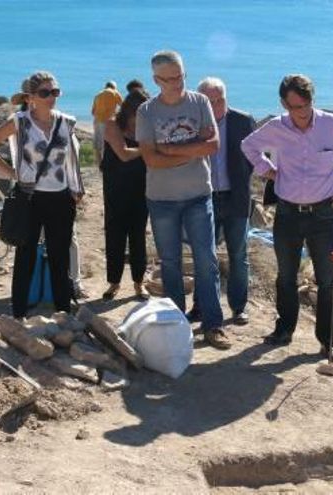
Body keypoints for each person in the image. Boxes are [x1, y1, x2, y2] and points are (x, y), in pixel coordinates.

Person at [241, 74, 333, 361]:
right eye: (296, 107)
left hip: (323, 214)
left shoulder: (331, 125)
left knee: (327, 279)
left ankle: (329, 341)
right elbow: (248, 146)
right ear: (284, 104)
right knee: (286, 276)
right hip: (286, 213)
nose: (303, 112)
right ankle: (284, 331)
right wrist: (267, 169)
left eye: (307, 104)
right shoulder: (276, 128)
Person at [136, 50, 228, 350]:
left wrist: (171, 151)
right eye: (171, 78)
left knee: (207, 260)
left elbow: (212, 145)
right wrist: (191, 148)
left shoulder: (200, 102)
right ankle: (177, 326)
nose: (178, 83)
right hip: (161, 199)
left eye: (181, 76)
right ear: (156, 80)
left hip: (198, 195)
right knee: (171, 263)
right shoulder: (146, 112)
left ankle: (213, 325)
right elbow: (150, 158)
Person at [0, 71, 84, 319]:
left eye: (55, 92)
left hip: (61, 198)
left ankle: (63, 313)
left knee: (60, 257)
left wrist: (77, 188)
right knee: (25, 257)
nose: (51, 97)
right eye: (45, 93)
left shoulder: (66, 122)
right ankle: (19, 313)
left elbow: (72, 159)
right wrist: (12, 173)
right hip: (30, 198)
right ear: (31, 97)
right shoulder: (20, 122)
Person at [186, 77, 256, 326]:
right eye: (211, 101)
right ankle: (201, 307)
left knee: (238, 254)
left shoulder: (243, 120)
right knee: (205, 256)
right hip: (204, 198)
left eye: (220, 99)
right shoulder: (192, 123)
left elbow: (253, 157)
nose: (216, 105)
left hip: (235, 197)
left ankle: (238, 308)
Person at [100, 88, 151, 301]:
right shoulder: (112, 125)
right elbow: (122, 153)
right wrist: (148, 149)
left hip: (141, 187)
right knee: (115, 236)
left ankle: (139, 284)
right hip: (115, 189)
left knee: (138, 236)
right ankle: (114, 283)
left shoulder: (146, 129)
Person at [91, 80, 122, 163]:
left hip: (97, 121)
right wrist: (116, 113)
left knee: (98, 144)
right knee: (107, 143)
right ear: (114, 87)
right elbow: (123, 106)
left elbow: (93, 112)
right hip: (108, 122)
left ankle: (99, 163)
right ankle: (108, 162)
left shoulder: (98, 95)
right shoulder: (115, 93)